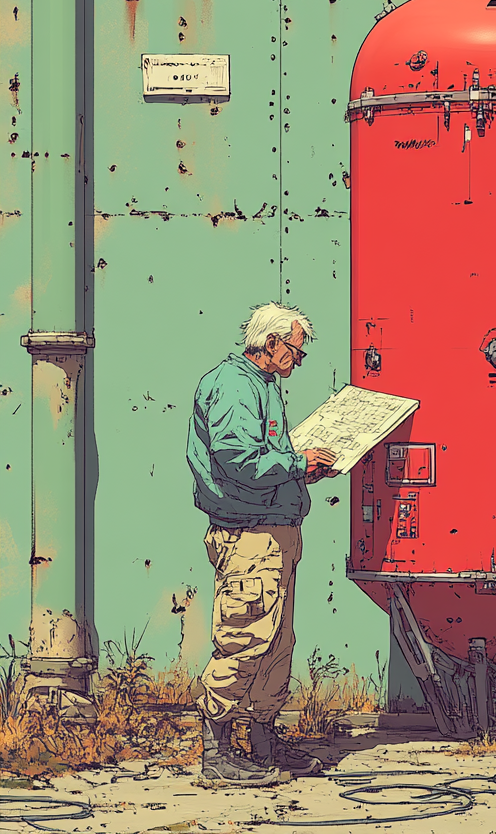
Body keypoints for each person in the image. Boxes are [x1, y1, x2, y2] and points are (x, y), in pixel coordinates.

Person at [186, 302, 339, 785]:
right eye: (296, 350)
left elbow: (262, 458)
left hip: (273, 532)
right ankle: (218, 754)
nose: (297, 360)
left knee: (275, 642)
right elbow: (237, 459)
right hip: (250, 534)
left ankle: (263, 742)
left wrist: (304, 466)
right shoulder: (234, 386)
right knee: (244, 637)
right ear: (270, 344)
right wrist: (297, 463)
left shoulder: (262, 387)